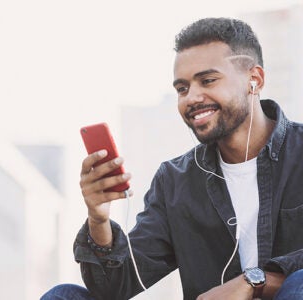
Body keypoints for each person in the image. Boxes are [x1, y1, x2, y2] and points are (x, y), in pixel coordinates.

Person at [41, 17, 303, 300]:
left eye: (207, 80)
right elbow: (114, 288)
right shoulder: (175, 180)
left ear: (255, 79)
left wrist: (255, 281)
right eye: (182, 88)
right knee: (64, 296)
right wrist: (98, 218)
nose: (191, 97)